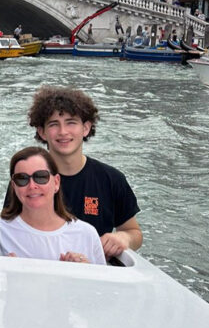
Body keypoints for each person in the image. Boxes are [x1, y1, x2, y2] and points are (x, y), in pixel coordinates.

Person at [25, 86, 142, 259]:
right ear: (42, 132)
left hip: (93, 275)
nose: (63, 132)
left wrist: (123, 237)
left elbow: (134, 232)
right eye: (53, 124)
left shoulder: (111, 179)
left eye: (71, 122)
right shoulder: (27, 180)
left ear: (86, 128)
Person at [0, 146, 105, 265]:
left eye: (41, 176)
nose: (32, 186)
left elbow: (103, 283)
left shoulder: (86, 235)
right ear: (14, 187)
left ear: (56, 182)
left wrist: (86, 271)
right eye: (22, 179)